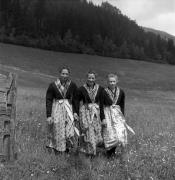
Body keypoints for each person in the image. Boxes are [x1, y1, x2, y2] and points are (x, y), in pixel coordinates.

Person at [46, 66, 79, 154]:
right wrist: (49, 115)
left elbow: (76, 99)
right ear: (59, 74)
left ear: (69, 75)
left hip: (68, 109)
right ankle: (59, 150)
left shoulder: (72, 85)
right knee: (58, 129)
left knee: (70, 131)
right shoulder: (53, 85)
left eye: (66, 74)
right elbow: (48, 100)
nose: (64, 75)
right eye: (63, 73)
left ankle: (67, 147)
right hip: (57, 108)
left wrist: (75, 112)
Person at [102, 73, 134, 158]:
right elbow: (101, 105)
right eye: (110, 81)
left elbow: (122, 105)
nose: (112, 83)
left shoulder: (121, 92)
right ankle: (109, 153)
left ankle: (114, 150)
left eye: (113, 81)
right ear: (107, 82)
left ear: (117, 81)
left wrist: (122, 117)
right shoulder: (103, 91)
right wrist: (103, 118)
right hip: (107, 114)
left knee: (119, 133)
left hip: (117, 114)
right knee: (110, 133)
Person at [77, 70, 104, 156]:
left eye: (93, 78)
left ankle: (92, 151)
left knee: (96, 131)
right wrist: (75, 113)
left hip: (96, 113)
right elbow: (76, 101)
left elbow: (103, 102)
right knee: (88, 131)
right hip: (85, 112)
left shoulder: (100, 89)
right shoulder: (81, 89)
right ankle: (89, 153)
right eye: (89, 78)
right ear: (86, 78)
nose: (91, 80)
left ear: (95, 78)